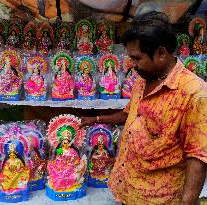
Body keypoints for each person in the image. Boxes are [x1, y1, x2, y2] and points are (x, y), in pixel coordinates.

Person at [80, 11, 207, 204]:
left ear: (161, 53)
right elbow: (130, 114)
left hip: (158, 198)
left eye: (137, 58)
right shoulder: (144, 78)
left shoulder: (194, 93)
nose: (132, 64)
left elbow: (197, 157)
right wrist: (96, 119)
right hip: (126, 190)